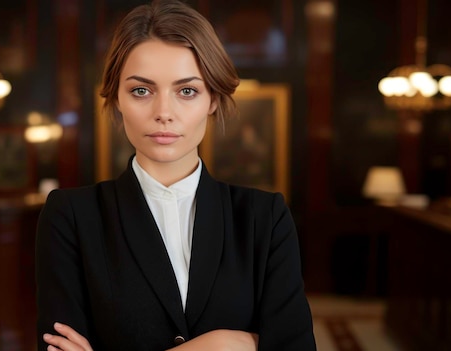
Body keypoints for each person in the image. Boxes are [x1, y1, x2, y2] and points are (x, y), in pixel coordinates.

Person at [35, 1, 316, 350]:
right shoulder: (71, 215)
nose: (163, 112)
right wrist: (226, 344)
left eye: (187, 91)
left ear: (212, 98)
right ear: (117, 98)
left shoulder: (264, 216)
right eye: (141, 90)